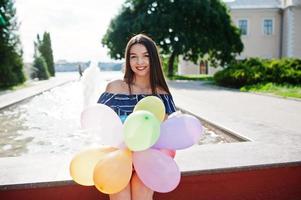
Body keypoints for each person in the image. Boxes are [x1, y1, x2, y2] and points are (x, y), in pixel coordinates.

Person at [97, 33, 176, 200]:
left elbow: (163, 136)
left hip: (147, 158)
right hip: (117, 156)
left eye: (145, 56)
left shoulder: (162, 95)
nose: (139, 62)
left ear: (153, 59)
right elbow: (101, 122)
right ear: (128, 60)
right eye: (134, 57)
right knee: (120, 190)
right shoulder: (114, 88)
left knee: (143, 188)